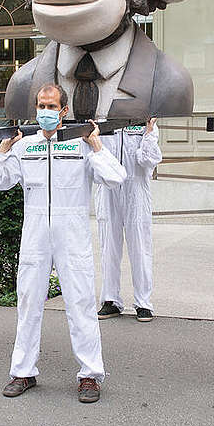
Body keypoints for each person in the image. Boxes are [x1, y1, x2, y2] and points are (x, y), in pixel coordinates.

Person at [0, 82, 126, 403]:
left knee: (80, 305)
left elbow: (116, 178)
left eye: (51, 107)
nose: (45, 112)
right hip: (35, 234)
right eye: (41, 106)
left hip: (72, 234)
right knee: (28, 303)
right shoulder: (26, 145)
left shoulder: (80, 144)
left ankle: (90, 375)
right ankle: (23, 371)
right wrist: (3, 149)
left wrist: (96, 146)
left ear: (64, 111)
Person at [95, 118, 162, 322]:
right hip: (108, 189)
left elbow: (148, 160)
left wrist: (149, 134)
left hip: (137, 188)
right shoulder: (102, 121)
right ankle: (110, 299)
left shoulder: (144, 121)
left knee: (140, 246)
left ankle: (143, 303)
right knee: (109, 247)